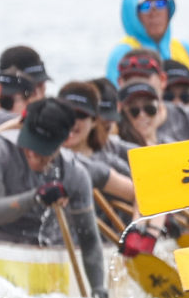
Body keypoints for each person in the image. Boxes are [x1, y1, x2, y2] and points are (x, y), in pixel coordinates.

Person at [0, 98, 106, 296]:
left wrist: (99, 290)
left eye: (42, 150)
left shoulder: (74, 173)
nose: (32, 153)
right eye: (29, 144)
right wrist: (36, 197)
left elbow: (90, 241)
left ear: (63, 142)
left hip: (35, 265)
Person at [106, 0, 189, 83]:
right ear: (132, 15)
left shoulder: (187, 50)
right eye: (145, 6)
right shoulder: (122, 54)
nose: (154, 13)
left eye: (160, 4)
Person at [58, 81, 136, 209]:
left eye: (81, 115)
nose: (72, 121)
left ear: (94, 120)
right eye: (66, 112)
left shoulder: (112, 164)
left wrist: (141, 228)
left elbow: (145, 197)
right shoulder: (39, 158)